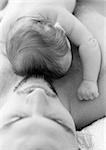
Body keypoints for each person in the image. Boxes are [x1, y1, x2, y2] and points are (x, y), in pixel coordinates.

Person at [0, 0, 105, 150]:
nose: (38, 95)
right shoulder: (97, 93)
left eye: (17, 118)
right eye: (57, 121)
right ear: (80, 142)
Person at [0, 0, 101, 101]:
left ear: (61, 30)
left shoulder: (58, 16)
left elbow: (89, 44)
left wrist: (89, 80)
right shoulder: (5, 29)